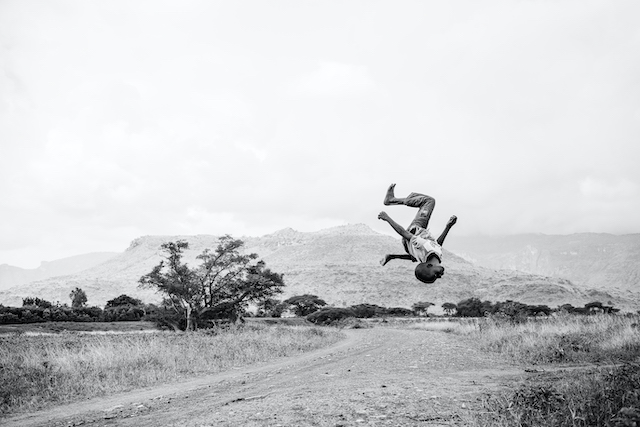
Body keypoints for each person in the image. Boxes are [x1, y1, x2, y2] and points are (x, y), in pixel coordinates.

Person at [378, 183, 457, 283]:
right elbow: (438, 245)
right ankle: (391, 255)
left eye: (435, 274)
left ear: (429, 266)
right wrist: (448, 227)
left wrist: (387, 218)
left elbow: (403, 232)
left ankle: (391, 200)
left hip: (416, 230)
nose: (439, 276)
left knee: (429, 201)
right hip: (416, 240)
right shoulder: (435, 258)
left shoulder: (424, 247)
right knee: (415, 255)